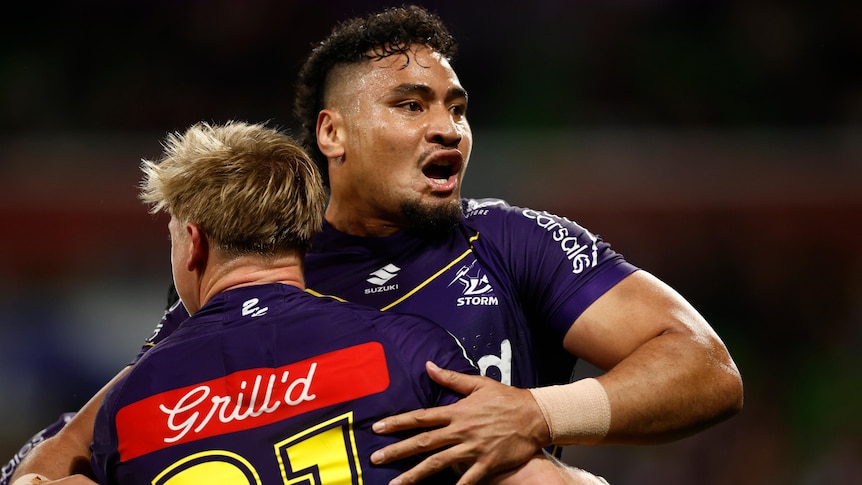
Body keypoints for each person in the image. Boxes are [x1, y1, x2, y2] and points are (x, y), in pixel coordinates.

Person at [8, 4, 743, 485]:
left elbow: (706, 369)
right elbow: (76, 443)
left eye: (457, 107)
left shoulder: (514, 242)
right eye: (411, 104)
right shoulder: (261, 267)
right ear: (332, 133)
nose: (449, 128)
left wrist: (540, 411)